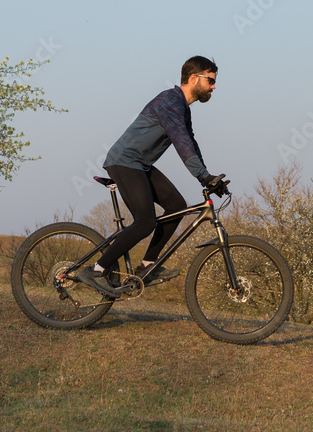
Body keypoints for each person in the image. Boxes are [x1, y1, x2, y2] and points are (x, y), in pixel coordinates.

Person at [75, 56, 226, 297]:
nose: (214, 86)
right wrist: (202, 175)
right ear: (193, 78)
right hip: (124, 162)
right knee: (145, 222)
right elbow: (182, 142)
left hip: (140, 165)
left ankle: (147, 267)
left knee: (176, 205)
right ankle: (96, 270)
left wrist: (207, 178)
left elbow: (191, 143)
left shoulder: (182, 108)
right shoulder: (170, 101)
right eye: (211, 80)